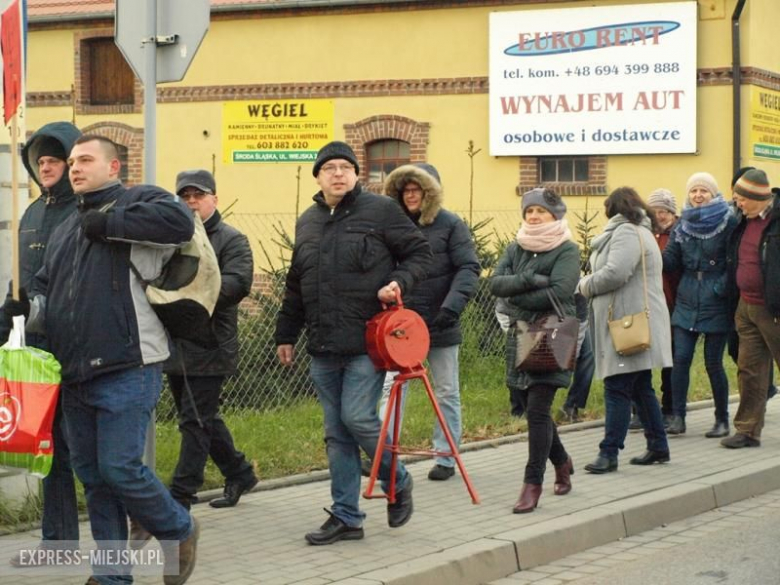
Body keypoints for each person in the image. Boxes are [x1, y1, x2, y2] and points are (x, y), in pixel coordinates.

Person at [6, 135, 200, 585]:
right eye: (72, 161)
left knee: (120, 468)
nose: (75, 167)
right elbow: (46, 296)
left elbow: (180, 222)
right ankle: (112, 574)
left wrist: (107, 222)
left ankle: (179, 528)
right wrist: (22, 310)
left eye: (85, 160)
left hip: (128, 364)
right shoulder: (65, 231)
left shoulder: (138, 200)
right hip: (74, 372)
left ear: (114, 167)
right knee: (94, 478)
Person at [274, 141, 431, 545]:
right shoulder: (308, 221)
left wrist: (399, 282)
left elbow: (419, 253)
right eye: (330, 168)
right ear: (318, 177)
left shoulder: (381, 211)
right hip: (323, 345)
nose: (338, 174)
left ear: (357, 174)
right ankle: (347, 516)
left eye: (346, 167)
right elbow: (296, 283)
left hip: (368, 340)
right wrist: (286, 333)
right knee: (336, 432)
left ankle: (397, 479)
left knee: (357, 418)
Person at [0, 122, 81, 567]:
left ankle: (146, 521)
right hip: (36, 348)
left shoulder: (85, 211)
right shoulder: (30, 213)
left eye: (54, 160)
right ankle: (59, 542)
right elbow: (20, 280)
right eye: (40, 162)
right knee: (49, 446)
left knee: (91, 451)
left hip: (78, 345)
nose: (46, 168)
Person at [378, 163, 480, 481]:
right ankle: (383, 455)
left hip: (440, 318)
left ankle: (446, 457)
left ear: (429, 193)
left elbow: (468, 267)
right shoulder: (392, 226)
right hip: (402, 324)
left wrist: (451, 307)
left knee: (446, 390)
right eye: (405, 190)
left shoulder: (451, 225)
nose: (411, 195)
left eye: (417, 190)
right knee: (392, 388)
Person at [165, 170, 258, 509]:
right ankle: (239, 472)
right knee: (201, 417)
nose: (192, 202)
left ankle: (181, 494)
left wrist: (188, 296)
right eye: (185, 196)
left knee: (195, 420)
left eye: (198, 196)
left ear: (214, 200)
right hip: (175, 342)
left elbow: (237, 284)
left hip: (210, 344)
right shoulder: (170, 239)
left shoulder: (232, 240)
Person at [490, 188, 579, 513]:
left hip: (552, 336)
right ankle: (562, 461)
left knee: (538, 410)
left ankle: (532, 484)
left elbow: (561, 289)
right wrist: (530, 279)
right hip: (520, 336)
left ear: (555, 214)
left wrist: (517, 293)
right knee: (532, 409)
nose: (534, 216)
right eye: (529, 211)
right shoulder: (516, 247)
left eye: (541, 211)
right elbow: (496, 284)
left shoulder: (567, 249)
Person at [579, 187, 671, 474]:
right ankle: (658, 446)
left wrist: (584, 285)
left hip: (626, 322)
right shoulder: (643, 230)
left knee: (616, 385)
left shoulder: (626, 232)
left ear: (613, 209)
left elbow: (615, 273)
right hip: (634, 319)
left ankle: (609, 453)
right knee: (641, 386)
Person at [662, 174, 736, 438]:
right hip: (687, 297)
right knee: (680, 359)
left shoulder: (728, 221)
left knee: (713, 363)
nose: (698, 195)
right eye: (694, 190)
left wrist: (720, 288)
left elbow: (734, 260)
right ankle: (678, 417)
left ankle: (722, 420)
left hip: (716, 299)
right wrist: (649, 251)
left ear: (713, 194)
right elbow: (671, 260)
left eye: (704, 190)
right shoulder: (682, 224)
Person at [722, 169, 780, 449]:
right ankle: (747, 430)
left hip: (774, 309)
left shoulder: (776, 221)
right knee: (750, 371)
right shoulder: (742, 221)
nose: (737, 203)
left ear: (756, 197)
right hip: (745, 306)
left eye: (741, 199)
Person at [560, 293, 595, 423]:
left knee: (589, 356)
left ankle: (571, 405)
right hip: (560, 312)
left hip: (579, 312)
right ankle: (535, 407)